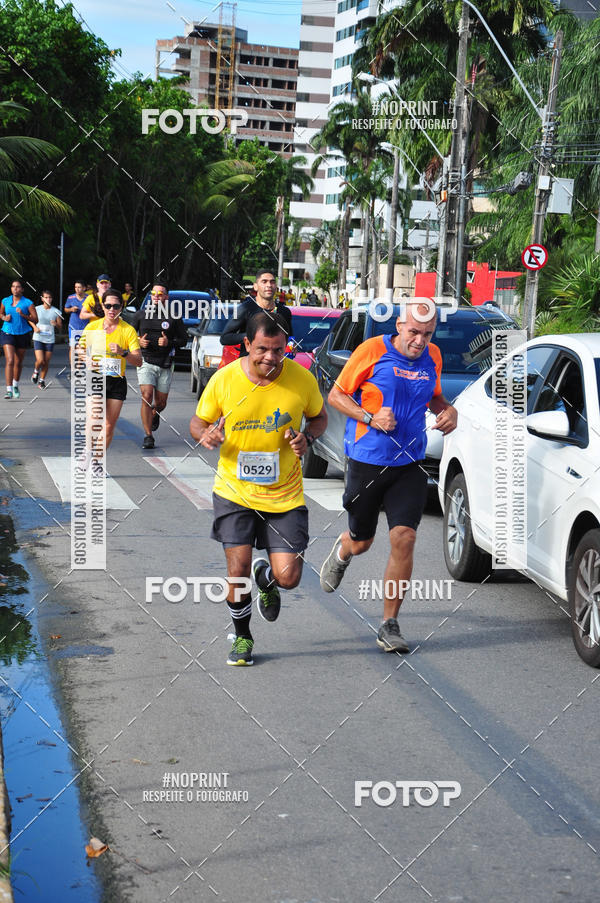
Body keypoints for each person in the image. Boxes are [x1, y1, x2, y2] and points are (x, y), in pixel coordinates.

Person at [319, 300, 458, 653]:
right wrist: (369, 417)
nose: (419, 341)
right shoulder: (372, 350)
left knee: (404, 538)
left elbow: (436, 399)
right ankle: (343, 550)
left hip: (409, 463)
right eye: (413, 332)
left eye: (427, 334)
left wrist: (449, 411)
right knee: (362, 541)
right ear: (399, 325)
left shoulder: (434, 357)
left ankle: (389, 624)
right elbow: (337, 395)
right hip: (367, 460)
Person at [190, 310, 327, 667]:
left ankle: (266, 578)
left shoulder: (302, 379)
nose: (271, 357)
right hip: (235, 491)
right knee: (236, 571)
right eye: (263, 349)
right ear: (247, 343)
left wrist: (306, 437)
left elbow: (319, 417)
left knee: (290, 577)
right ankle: (242, 636)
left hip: (285, 494)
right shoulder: (224, 380)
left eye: (279, 350)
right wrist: (206, 434)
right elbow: (198, 420)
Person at [77, 289, 142, 466]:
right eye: (108, 306)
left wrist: (123, 352)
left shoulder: (127, 330)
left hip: (116, 381)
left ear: (121, 307)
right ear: (103, 307)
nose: (112, 309)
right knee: (95, 417)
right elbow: (80, 348)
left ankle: (97, 462)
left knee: (108, 426)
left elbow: (138, 361)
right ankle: (87, 451)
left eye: (116, 306)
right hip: (97, 377)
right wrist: (87, 359)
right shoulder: (94, 327)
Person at [131, 282, 188, 449]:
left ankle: (154, 413)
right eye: (154, 294)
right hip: (145, 361)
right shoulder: (141, 315)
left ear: (166, 297)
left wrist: (169, 341)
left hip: (165, 363)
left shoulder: (174, 317)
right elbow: (128, 335)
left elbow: (183, 340)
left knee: (161, 402)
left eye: (160, 294)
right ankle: (148, 436)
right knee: (146, 395)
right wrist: (138, 341)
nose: (157, 297)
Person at [220, 270, 292, 359]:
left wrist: (292, 346)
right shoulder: (245, 309)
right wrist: (251, 336)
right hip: (249, 367)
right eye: (264, 281)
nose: (269, 285)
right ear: (256, 286)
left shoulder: (284, 312)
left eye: (272, 282)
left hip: (275, 366)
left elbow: (289, 338)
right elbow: (225, 338)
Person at [0, 279, 38, 399]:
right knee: (10, 360)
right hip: (7, 332)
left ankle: (15, 385)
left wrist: (23, 315)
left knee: (18, 362)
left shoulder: (28, 303)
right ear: (11, 288)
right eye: (13, 286)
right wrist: (4, 318)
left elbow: (35, 319)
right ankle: (8, 390)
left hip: (23, 334)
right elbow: (0, 313)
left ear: (22, 289)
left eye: (18, 287)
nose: (15, 288)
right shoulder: (5, 301)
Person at [31, 290, 62, 389]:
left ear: (52, 299)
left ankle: (42, 381)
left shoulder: (56, 311)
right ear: (42, 299)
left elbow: (60, 326)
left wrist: (56, 324)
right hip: (38, 337)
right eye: (46, 297)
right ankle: (35, 372)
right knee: (40, 360)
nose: (48, 299)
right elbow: (29, 319)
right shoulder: (36, 309)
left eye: (50, 297)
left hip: (49, 339)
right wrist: (34, 327)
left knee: (46, 362)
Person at [64, 280, 88, 366]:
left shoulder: (89, 298)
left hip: (85, 326)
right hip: (73, 326)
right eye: (75, 287)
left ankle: (78, 367)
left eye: (79, 287)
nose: (77, 289)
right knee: (73, 347)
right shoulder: (71, 297)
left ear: (84, 288)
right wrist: (71, 309)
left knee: (82, 348)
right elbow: (65, 309)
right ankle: (72, 368)